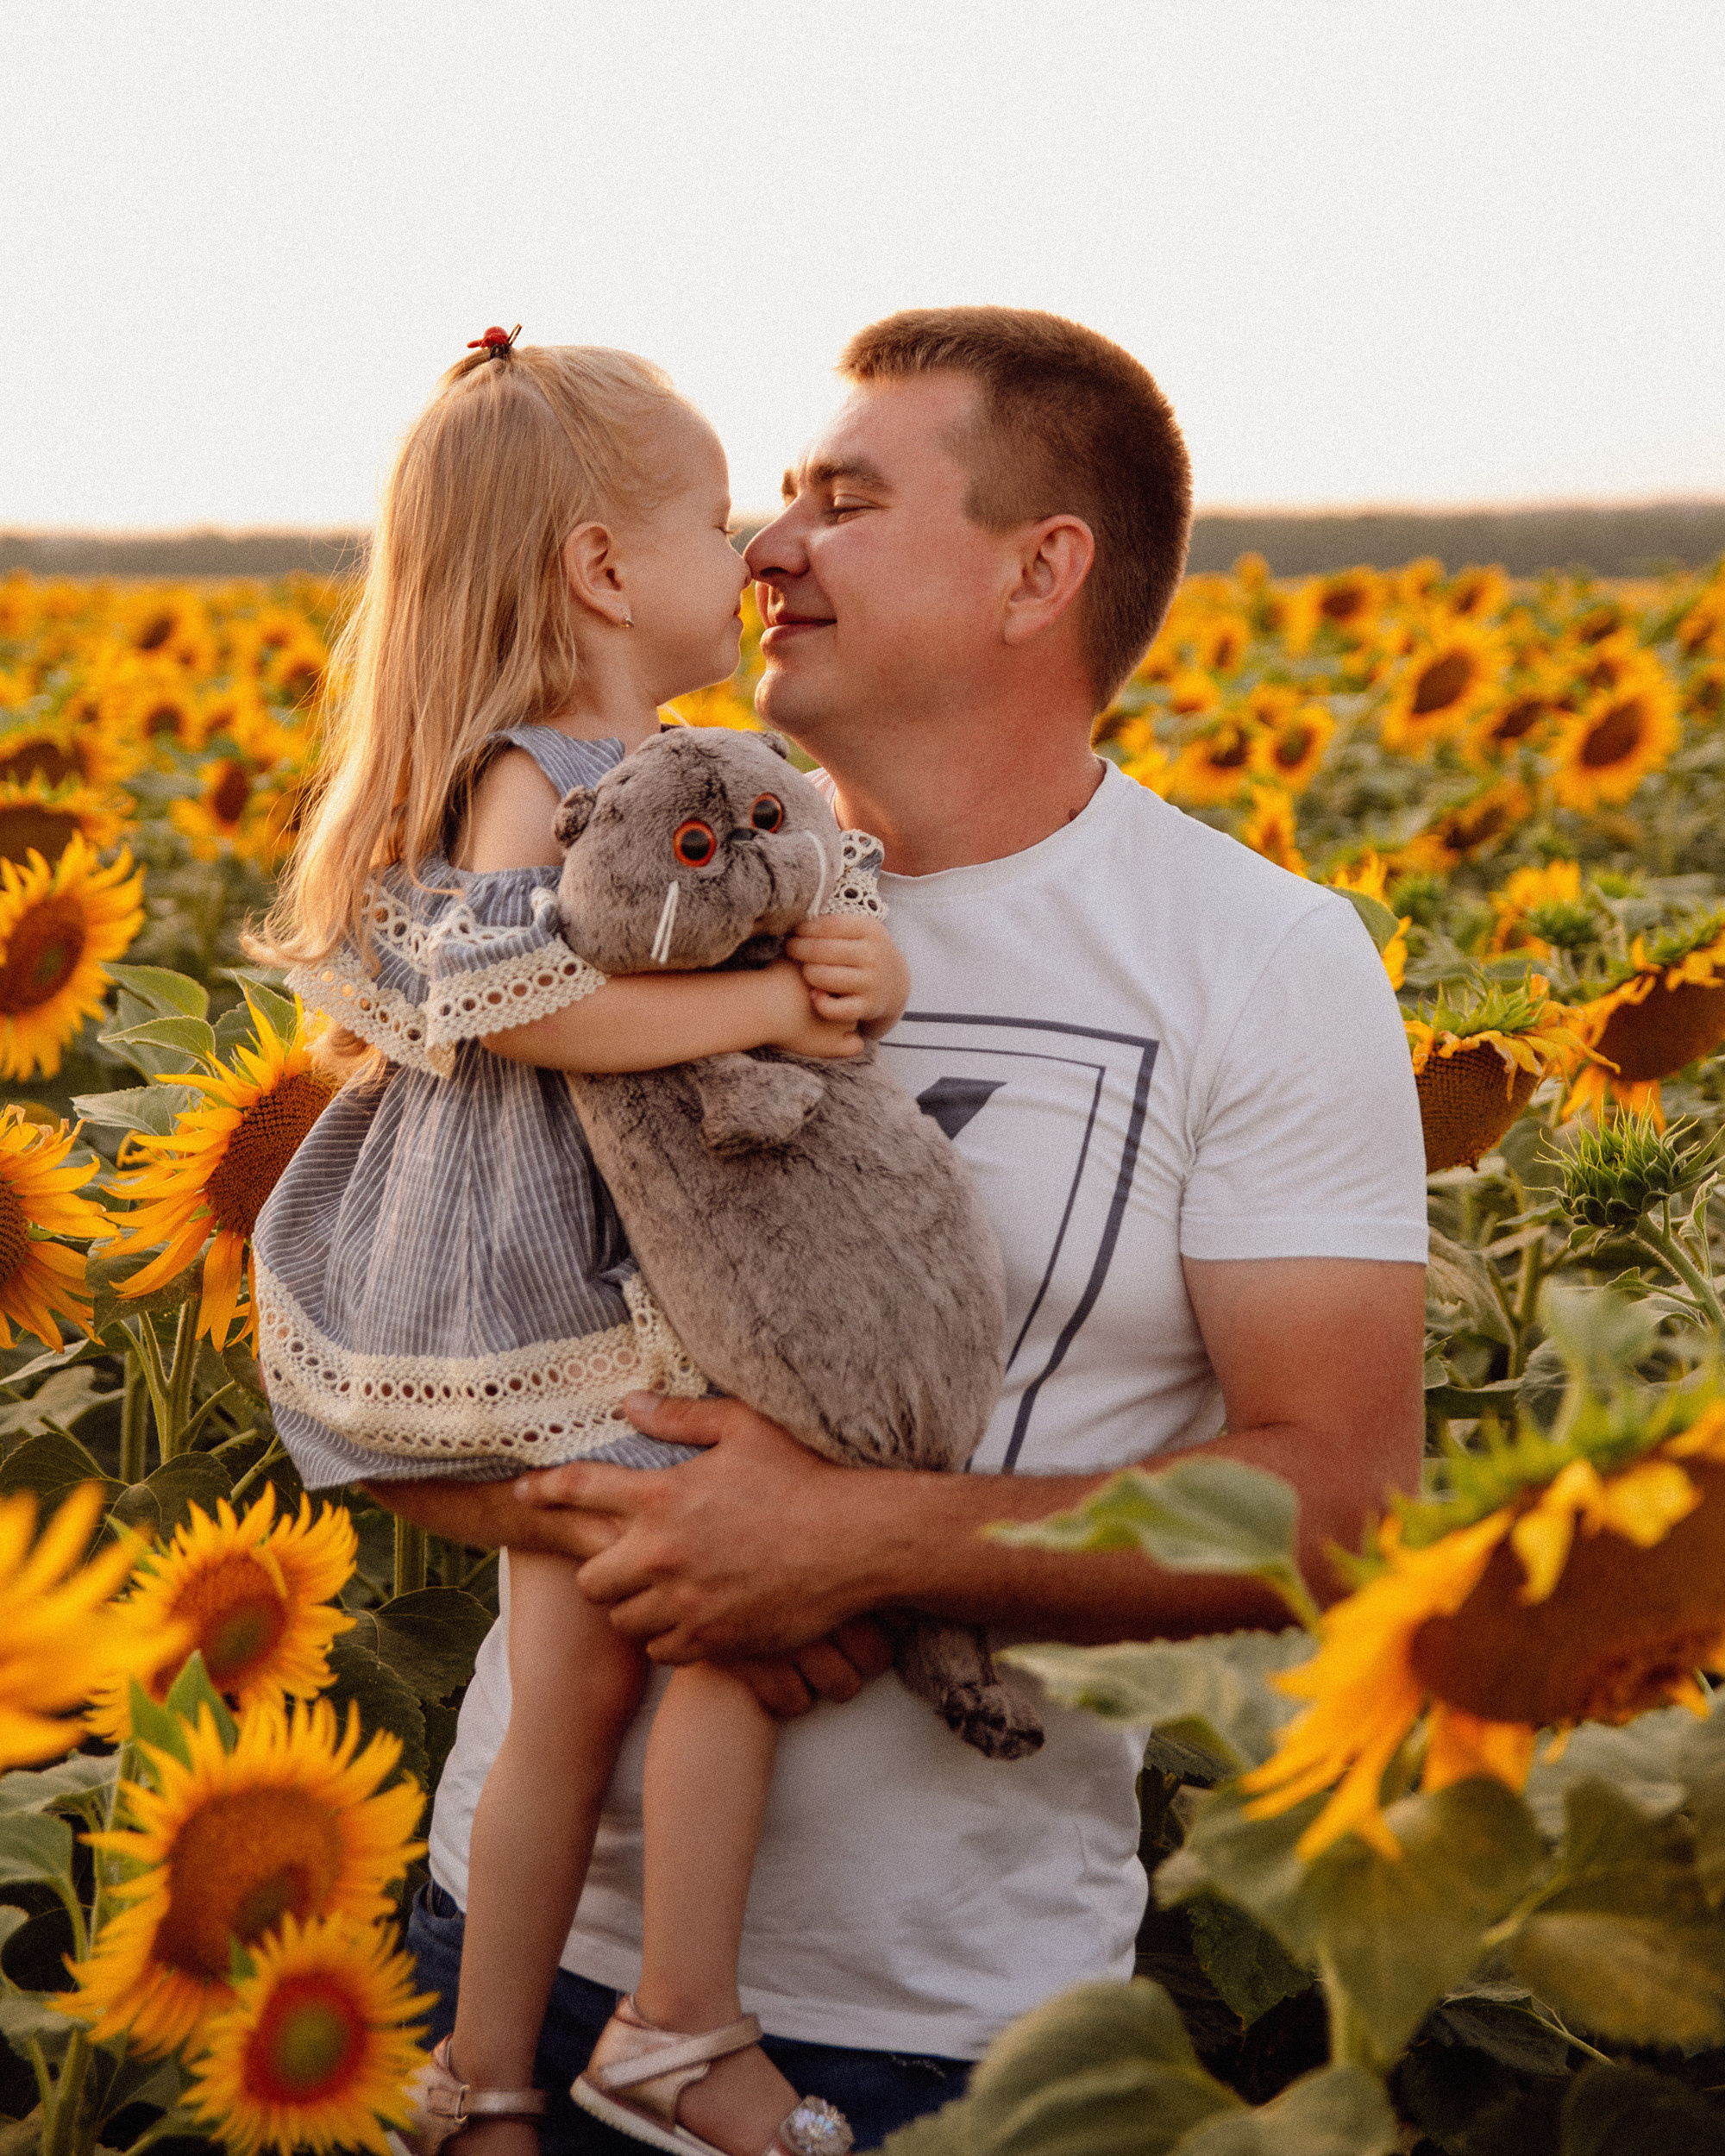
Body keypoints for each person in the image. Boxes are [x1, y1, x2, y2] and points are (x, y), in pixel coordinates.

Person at [373, 307, 1429, 2153]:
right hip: (505, 1950)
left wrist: (848, 1543)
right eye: (773, 496)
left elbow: (1339, 1508)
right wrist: (671, 1536)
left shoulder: (1253, 960)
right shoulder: (625, 866)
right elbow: (383, 1342)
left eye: (843, 498)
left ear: (1040, 570)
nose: (773, 542)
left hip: (933, 2023)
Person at [252, 333, 920, 2156]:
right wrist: (771, 1008)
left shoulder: (718, 758)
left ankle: (545, 2054)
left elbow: (820, 910)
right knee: (631, 1667)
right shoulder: (535, 773)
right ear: (606, 570)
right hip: (554, 1286)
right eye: (718, 516)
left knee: (644, 1662)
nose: (756, 546)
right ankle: (601, 2036)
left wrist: (849, 970)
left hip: (681, 1268)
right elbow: (516, 1005)